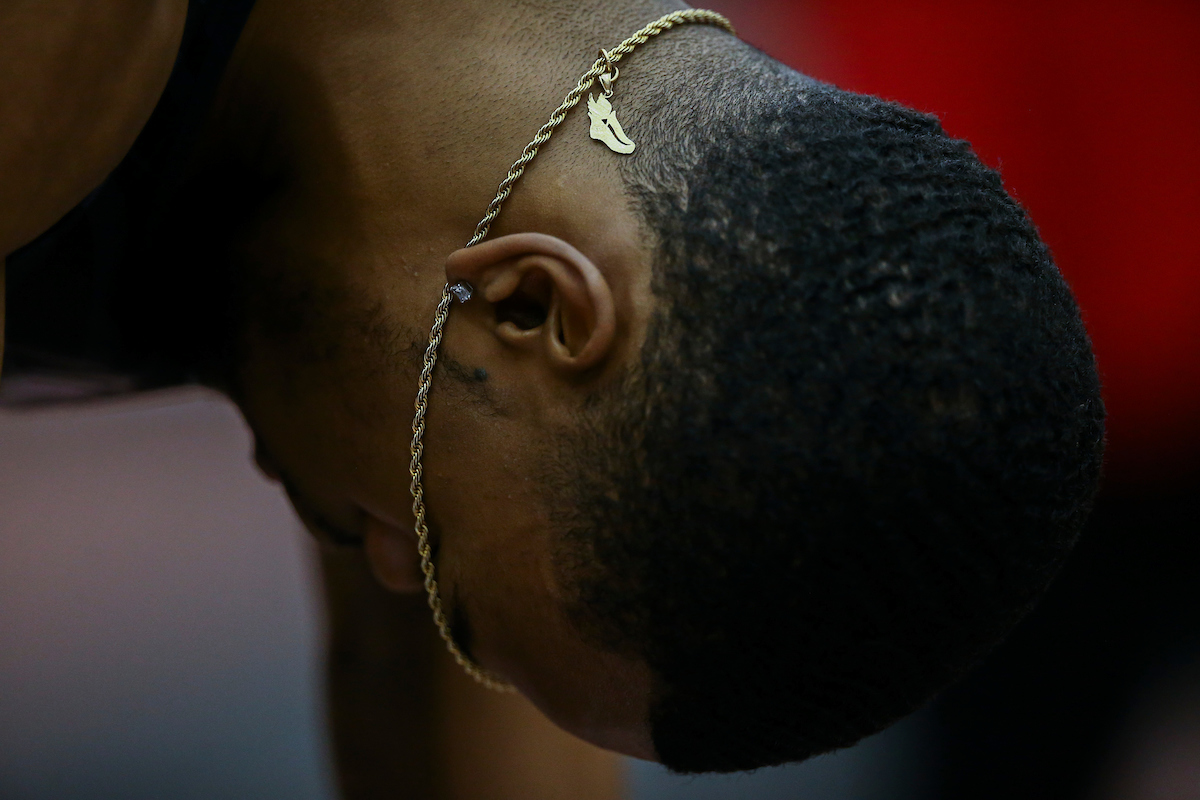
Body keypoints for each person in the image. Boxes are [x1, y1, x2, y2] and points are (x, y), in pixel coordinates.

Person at [1, 0, 1105, 796]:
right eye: (431, 556)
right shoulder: (51, 49)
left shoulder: (492, 174)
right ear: (535, 301)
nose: (396, 570)